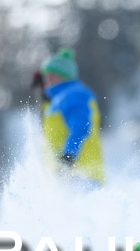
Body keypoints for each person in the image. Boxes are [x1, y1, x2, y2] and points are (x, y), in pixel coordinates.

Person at [33, 47, 105, 187]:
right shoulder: (58, 99)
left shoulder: (72, 95)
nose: (47, 78)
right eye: (46, 74)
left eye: (52, 74)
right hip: (70, 177)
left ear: (64, 74)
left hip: (80, 176)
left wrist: (67, 158)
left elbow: (81, 126)